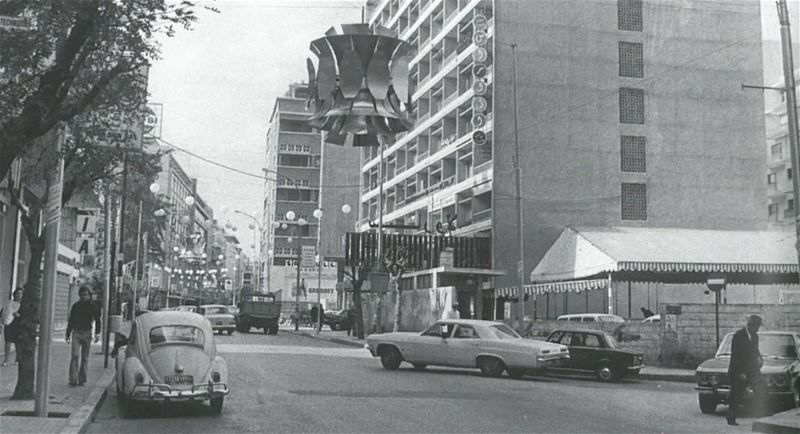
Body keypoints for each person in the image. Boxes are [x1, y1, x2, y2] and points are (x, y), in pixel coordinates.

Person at [727, 314, 765, 426]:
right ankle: (731, 418)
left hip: (752, 370)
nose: (758, 329)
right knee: (736, 395)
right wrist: (740, 373)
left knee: (761, 389)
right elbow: (736, 356)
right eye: (757, 326)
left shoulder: (755, 336)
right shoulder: (738, 335)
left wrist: (760, 359)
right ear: (750, 325)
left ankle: (761, 416)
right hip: (738, 371)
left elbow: (755, 351)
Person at [66, 286, 101, 386]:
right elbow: (71, 320)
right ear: (79, 295)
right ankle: (73, 378)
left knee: (85, 357)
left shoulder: (93, 307)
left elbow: (98, 320)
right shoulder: (75, 306)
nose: (84, 297)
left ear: (89, 295)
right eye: (82, 295)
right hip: (76, 332)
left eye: (85, 295)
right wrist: (68, 334)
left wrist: (97, 334)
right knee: (75, 355)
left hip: (87, 332)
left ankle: (82, 378)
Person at [1, 288, 23, 366]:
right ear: (14, 294)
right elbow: (3, 312)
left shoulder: (23, 305)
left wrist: (19, 315)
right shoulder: (9, 303)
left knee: (18, 343)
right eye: (17, 293)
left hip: (18, 325)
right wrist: (1, 321)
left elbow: (26, 316)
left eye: (20, 293)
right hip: (9, 324)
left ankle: (17, 359)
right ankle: (6, 360)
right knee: (7, 342)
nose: (18, 295)